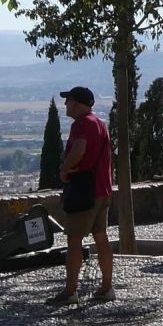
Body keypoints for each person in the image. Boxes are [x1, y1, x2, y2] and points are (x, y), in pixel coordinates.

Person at [51, 86, 115, 304]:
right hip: (103, 189)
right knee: (101, 237)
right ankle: (107, 287)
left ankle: (70, 291)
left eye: (68, 100)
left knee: (74, 240)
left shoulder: (81, 125)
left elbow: (79, 149)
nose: (65, 104)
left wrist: (64, 170)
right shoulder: (100, 124)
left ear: (77, 103)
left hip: (84, 190)